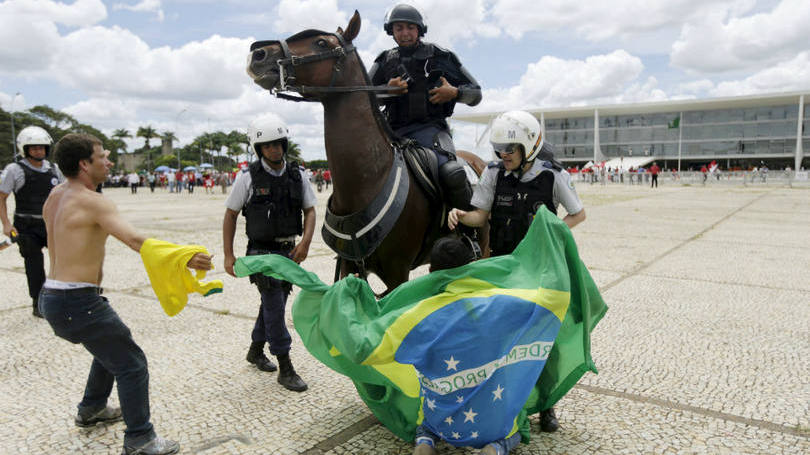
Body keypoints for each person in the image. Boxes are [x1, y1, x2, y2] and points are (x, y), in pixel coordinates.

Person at [39, 133, 213, 455]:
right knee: (132, 364)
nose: (109, 161)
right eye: (102, 156)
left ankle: (92, 408)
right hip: (78, 302)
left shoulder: (55, 195)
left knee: (110, 345)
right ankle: (140, 439)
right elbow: (134, 240)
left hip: (52, 296)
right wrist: (183, 255)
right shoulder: (94, 201)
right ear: (84, 164)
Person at [446, 110, 587, 433]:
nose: (502, 155)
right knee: (504, 339)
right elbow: (480, 215)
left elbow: (578, 215)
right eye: (498, 149)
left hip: (541, 271)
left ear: (529, 147)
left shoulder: (553, 176)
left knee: (542, 341)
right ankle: (506, 400)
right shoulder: (494, 174)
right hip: (504, 269)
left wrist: (552, 232)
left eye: (509, 149)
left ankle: (547, 405)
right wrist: (460, 214)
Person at [222, 116, 316, 392]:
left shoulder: (299, 175)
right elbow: (230, 215)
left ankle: (255, 349)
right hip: (261, 253)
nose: (274, 150)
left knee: (273, 302)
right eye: (267, 146)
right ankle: (285, 366)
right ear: (258, 149)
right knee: (274, 302)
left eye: (278, 144)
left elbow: (310, 210)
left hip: (289, 250)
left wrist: (306, 242)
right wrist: (229, 255)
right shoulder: (248, 177)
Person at [411, 237, 522, 455]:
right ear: (471, 267)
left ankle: (425, 444)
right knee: (517, 429)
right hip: (490, 416)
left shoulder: (420, 313)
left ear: (431, 270)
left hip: (442, 418)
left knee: (425, 426)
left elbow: (371, 338)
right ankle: (494, 448)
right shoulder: (498, 304)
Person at [369, 3, 481, 209]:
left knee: (452, 174)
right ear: (391, 31)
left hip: (432, 132)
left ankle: (467, 230)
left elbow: (476, 93)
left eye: (410, 27)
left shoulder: (441, 56)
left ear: (419, 29)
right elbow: (363, 98)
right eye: (399, 27)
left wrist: (455, 93)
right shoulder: (384, 61)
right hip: (392, 134)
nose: (405, 33)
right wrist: (386, 89)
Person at [0, 126, 65, 317]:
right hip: (26, 226)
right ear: (25, 149)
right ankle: (39, 303)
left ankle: (63, 297)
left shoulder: (54, 170)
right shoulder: (15, 170)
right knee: (34, 264)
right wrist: (6, 224)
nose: (39, 151)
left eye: (42, 147)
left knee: (62, 261)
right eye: (34, 148)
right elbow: (2, 196)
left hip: (51, 224)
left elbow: (65, 195)